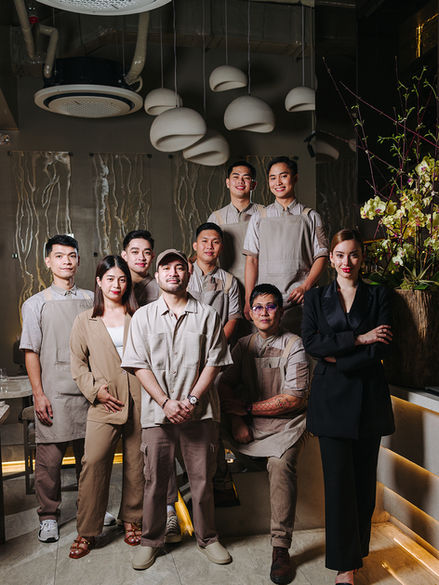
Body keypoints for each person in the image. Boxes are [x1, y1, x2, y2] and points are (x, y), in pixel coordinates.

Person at [121, 249, 233, 571]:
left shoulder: (208, 315)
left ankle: (208, 537)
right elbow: (138, 365)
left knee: (202, 480)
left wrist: (192, 400)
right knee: (155, 481)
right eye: (166, 268)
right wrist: (166, 402)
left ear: (188, 273)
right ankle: (151, 541)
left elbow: (214, 362)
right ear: (157, 276)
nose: (173, 273)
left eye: (179, 267)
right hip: (157, 415)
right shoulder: (143, 317)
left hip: (200, 413)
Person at [301, 229, 395, 585]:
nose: (346, 262)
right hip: (331, 403)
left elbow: (380, 348)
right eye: (340, 255)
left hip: (369, 399)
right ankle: (345, 567)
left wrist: (336, 356)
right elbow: (312, 343)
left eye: (353, 254)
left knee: (363, 485)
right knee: (338, 485)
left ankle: (356, 555)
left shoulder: (379, 295)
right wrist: (358, 338)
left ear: (362, 258)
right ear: (331, 259)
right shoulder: (315, 298)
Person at [219, 284, 309, 585]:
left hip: (286, 425)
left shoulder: (294, 344)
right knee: (201, 431)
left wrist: (245, 408)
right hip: (250, 422)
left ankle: (280, 547)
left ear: (280, 312)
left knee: (280, 464)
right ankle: (213, 520)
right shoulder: (243, 345)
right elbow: (223, 384)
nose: (264, 313)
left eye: (271, 307)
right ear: (250, 313)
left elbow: (294, 398)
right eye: (258, 307)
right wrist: (236, 420)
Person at [20, 235, 94, 543]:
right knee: (49, 462)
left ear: (79, 261)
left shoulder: (93, 299)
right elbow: (31, 352)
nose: (67, 261)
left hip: (90, 390)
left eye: (72, 256)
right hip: (54, 392)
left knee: (91, 459)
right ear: (48, 262)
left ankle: (90, 509)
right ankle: (48, 516)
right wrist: (38, 394)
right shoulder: (35, 304)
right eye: (60, 256)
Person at [68, 255, 144, 558]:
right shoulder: (84, 320)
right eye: (110, 278)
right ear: (99, 282)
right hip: (105, 400)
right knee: (94, 462)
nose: (116, 285)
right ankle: (87, 530)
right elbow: (77, 364)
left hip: (140, 398)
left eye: (122, 279)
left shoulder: (140, 316)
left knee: (137, 463)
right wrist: (95, 391)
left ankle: (132, 519)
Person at [243, 156, 328, 333]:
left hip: (300, 299)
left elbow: (322, 256)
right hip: (266, 303)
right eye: (273, 178)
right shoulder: (259, 218)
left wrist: (306, 286)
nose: (278, 182)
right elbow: (251, 260)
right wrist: (248, 299)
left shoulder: (311, 216)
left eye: (283, 176)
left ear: (295, 178)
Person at [207, 160, 264, 288]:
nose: (240, 181)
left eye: (246, 178)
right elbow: (206, 252)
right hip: (227, 285)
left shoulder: (264, 214)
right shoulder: (216, 218)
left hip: (260, 283)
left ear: (253, 184)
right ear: (228, 183)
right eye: (236, 177)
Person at [188, 222, 242, 343]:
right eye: (204, 241)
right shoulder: (184, 275)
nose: (209, 246)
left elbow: (233, 318)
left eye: (215, 242)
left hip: (217, 345)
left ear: (221, 248)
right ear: (195, 246)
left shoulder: (229, 280)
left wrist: (217, 345)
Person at [121, 229, 159, 307]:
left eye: (147, 253)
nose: (141, 258)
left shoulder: (160, 288)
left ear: (152, 257)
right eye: (135, 252)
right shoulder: (116, 285)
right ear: (124, 256)